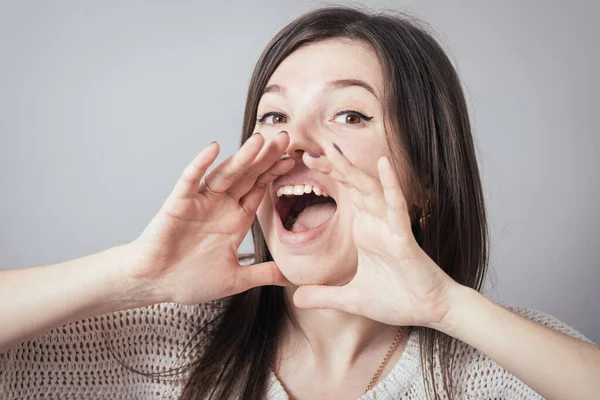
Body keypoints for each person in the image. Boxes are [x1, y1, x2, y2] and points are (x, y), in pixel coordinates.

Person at [0, 6, 598, 400]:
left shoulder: (498, 362)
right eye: (275, 116)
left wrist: (445, 307)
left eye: (350, 114)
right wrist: (133, 276)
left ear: (426, 183)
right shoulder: (153, 343)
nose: (295, 144)